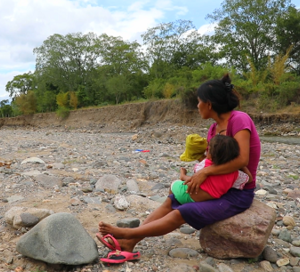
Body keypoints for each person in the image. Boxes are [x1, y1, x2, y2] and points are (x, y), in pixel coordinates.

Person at [97, 74, 261, 263]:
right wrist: (197, 166)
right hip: (216, 186)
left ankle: (125, 233)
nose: (197, 105)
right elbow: (214, 161)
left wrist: (205, 172)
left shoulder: (239, 119)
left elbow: (242, 159)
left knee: (182, 212)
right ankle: (129, 242)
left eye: (199, 101)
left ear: (208, 104)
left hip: (236, 193)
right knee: (172, 199)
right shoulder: (213, 129)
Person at [172, 134, 251, 204]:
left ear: (210, 154)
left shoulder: (204, 165)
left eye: (208, 150)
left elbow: (194, 179)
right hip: (211, 199)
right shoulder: (235, 173)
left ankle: (172, 203)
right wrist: (240, 165)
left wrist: (183, 176)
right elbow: (249, 179)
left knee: (175, 184)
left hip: (190, 197)